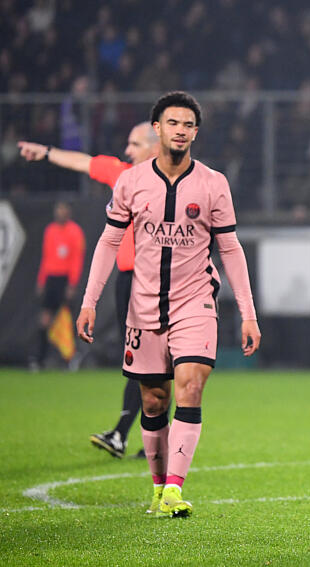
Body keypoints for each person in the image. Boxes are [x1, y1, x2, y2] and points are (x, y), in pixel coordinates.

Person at [76, 91, 261, 517]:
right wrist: (90, 301)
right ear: (157, 128)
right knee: (154, 402)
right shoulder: (131, 181)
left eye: (188, 125)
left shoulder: (214, 183)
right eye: (173, 123)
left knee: (191, 387)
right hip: (142, 307)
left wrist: (248, 313)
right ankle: (159, 488)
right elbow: (109, 241)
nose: (181, 131)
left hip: (195, 301)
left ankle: (175, 488)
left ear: (196, 132)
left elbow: (230, 249)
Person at [19, 123, 160, 458]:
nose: (127, 150)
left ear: (155, 148)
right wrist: (48, 152)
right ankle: (148, 438)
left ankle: (125, 435)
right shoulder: (122, 175)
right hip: (128, 280)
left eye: (134, 143)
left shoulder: (172, 184)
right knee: (147, 359)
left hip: (157, 280)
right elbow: (83, 162)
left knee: (148, 359)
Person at [31, 202, 85, 369]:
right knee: (45, 319)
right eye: (57, 210)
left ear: (68, 212)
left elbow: (77, 259)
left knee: (67, 319)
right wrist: (42, 281)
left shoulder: (75, 232)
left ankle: (72, 357)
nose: (59, 213)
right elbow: (46, 257)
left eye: (63, 210)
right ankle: (39, 359)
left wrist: (72, 284)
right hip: (51, 279)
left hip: (65, 279)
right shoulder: (50, 231)